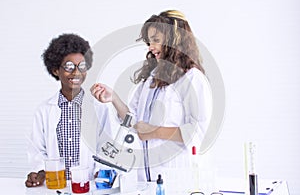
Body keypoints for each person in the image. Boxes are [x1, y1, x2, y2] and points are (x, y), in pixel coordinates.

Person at [90, 10, 212, 182]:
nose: (150, 47)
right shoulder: (152, 78)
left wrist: (153, 132)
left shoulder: (192, 78)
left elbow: (199, 133)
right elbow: (133, 122)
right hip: (148, 178)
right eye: (149, 41)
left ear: (174, 40)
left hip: (178, 178)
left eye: (156, 40)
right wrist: (114, 98)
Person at [25, 33, 110, 187]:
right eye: (69, 66)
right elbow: (36, 149)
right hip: (56, 185)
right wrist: (40, 171)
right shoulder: (44, 110)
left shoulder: (99, 108)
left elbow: (106, 146)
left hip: (88, 185)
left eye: (81, 66)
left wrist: (101, 172)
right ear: (56, 70)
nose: (76, 72)